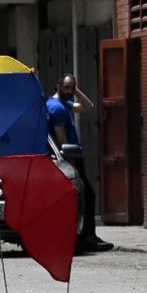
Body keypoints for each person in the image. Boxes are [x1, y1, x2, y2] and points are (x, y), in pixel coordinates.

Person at [47, 74, 114, 253]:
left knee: (86, 195)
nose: (70, 91)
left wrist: (76, 91)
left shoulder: (63, 103)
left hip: (72, 155)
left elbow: (88, 107)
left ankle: (86, 234)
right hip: (70, 157)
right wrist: (70, 159)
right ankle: (87, 235)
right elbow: (61, 138)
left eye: (72, 87)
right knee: (87, 195)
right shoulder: (57, 108)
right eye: (67, 88)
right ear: (58, 86)